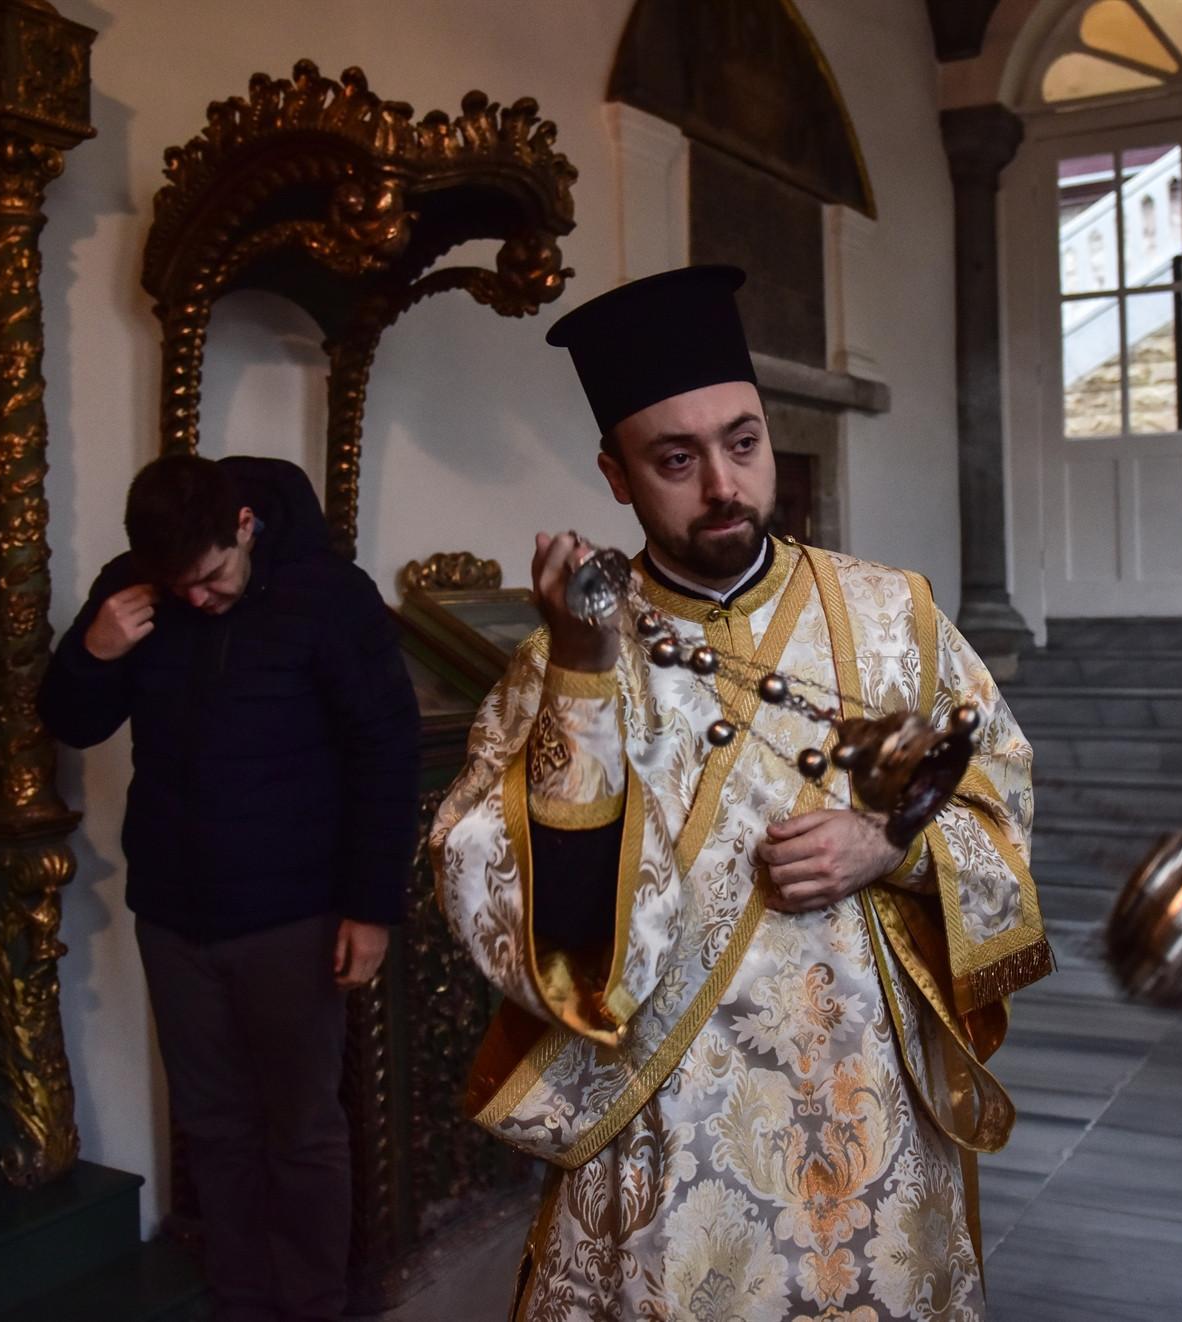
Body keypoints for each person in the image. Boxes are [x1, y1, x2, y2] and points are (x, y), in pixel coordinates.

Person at [432, 265, 1052, 1320]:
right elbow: (533, 921)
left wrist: (891, 846)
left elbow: (1001, 799)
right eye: (677, 458)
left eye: (744, 441)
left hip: (874, 1107)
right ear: (616, 475)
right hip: (674, 1126)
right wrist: (587, 673)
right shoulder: (560, 663)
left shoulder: (892, 614)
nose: (724, 483)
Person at [39, 454, 420, 1321]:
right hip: (173, 913)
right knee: (213, 1125)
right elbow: (69, 718)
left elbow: (385, 752)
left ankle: (317, 1302)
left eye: (210, 577)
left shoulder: (328, 595)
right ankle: (243, 1298)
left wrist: (370, 907)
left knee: (302, 1129)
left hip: (295, 914)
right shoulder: (137, 589)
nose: (198, 600)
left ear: (243, 525)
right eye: (179, 587)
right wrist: (96, 654)